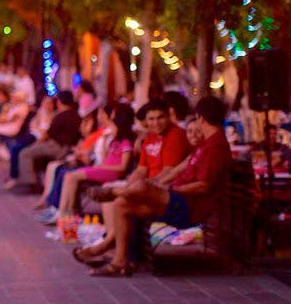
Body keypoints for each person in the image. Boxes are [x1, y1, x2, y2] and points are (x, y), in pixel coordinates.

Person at [76, 96, 232, 276]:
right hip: (178, 198)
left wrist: (168, 189)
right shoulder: (206, 143)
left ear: (201, 117)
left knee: (140, 188)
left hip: (190, 207)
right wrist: (158, 185)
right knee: (122, 205)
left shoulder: (215, 146)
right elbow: (176, 170)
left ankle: (113, 192)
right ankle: (119, 263)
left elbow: (203, 186)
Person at [37, 103, 135, 224]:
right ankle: (63, 213)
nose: (111, 122)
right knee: (68, 175)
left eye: (113, 121)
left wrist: (101, 165)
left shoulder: (126, 143)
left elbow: (122, 167)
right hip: (103, 169)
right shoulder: (114, 141)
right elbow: (104, 157)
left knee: (71, 175)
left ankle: (67, 215)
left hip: (110, 173)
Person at [14, 90, 82, 193]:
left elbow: (48, 135)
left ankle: (30, 183)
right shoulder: (77, 116)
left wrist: (40, 135)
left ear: (59, 102)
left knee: (25, 153)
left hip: (57, 147)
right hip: (68, 147)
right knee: (32, 149)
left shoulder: (60, 116)